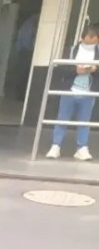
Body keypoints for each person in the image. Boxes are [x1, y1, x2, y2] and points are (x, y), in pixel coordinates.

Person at [46, 25, 99, 161]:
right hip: (70, 91)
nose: (92, 42)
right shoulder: (70, 50)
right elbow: (60, 69)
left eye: (94, 39)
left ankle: (82, 148)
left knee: (84, 122)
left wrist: (94, 70)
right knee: (62, 119)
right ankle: (56, 146)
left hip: (88, 92)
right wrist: (75, 70)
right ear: (84, 37)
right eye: (90, 39)